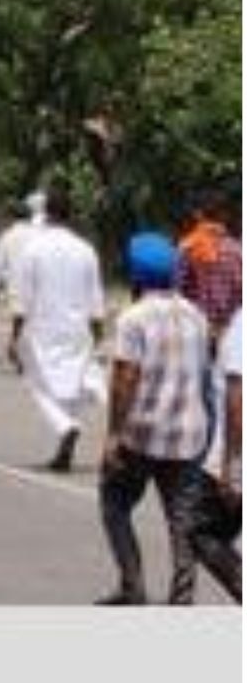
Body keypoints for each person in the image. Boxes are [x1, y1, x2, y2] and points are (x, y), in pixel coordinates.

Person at [96, 233, 210, 605]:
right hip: (189, 436)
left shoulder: (134, 317)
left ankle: (132, 585)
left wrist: (113, 435)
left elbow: (125, 378)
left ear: (136, 275)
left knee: (114, 503)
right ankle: (182, 597)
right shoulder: (196, 314)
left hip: (142, 435)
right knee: (183, 522)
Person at [9, 185, 106, 472]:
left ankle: (66, 427)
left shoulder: (34, 249)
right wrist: (97, 330)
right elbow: (96, 296)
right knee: (72, 385)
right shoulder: (85, 249)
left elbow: (21, 296)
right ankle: (67, 443)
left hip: (42, 327)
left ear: (46, 213)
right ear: (71, 214)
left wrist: (15, 335)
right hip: (77, 328)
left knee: (38, 383)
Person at [181, 307, 242, 603]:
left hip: (236, 453)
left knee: (199, 527)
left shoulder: (243, 324)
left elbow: (237, 398)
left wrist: (229, 465)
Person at [176, 191, 241, 347]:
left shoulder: (188, 248)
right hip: (232, 333)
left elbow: (176, 291)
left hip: (196, 334)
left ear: (198, 214)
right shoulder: (238, 250)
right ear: (224, 216)